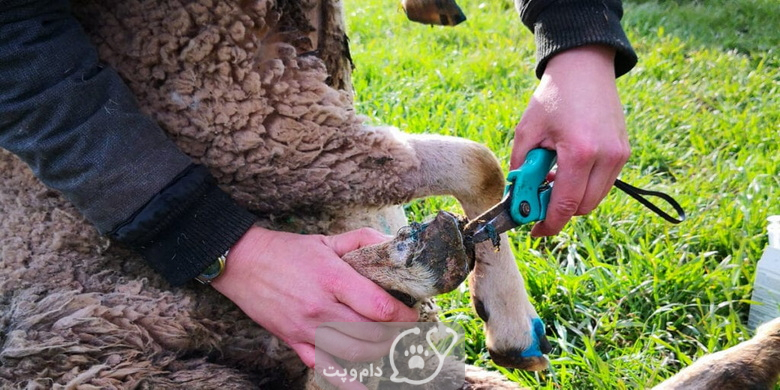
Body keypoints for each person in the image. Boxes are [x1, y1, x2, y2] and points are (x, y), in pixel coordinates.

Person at [0, 0, 636, 369]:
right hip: (93, 190)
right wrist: (215, 243)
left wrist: (578, 41)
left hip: (293, 130)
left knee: (401, 363)